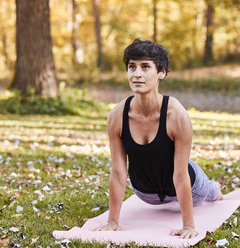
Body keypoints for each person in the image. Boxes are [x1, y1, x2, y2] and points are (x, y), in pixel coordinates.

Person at [95, 38, 223, 239]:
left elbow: (181, 176)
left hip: (189, 184)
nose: (137, 74)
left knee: (210, 192)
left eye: (145, 67)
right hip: (145, 193)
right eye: (132, 67)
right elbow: (118, 173)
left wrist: (188, 225)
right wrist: (112, 222)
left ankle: (215, 188)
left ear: (161, 72)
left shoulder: (177, 115)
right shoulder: (117, 116)